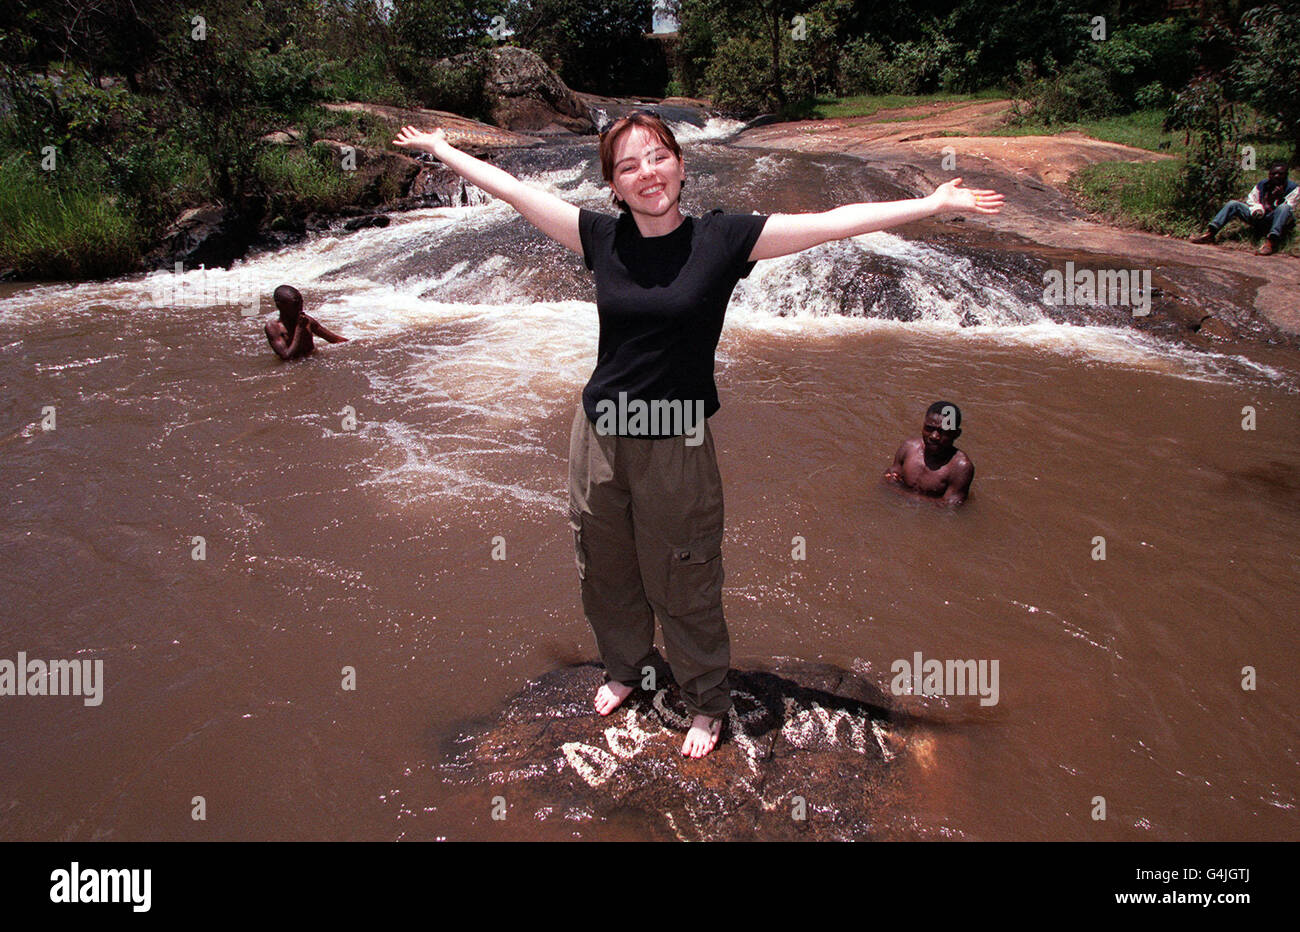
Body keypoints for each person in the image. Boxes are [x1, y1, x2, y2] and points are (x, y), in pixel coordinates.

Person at [393, 112, 1002, 757]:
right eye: (628, 166)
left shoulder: (724, 239)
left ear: (681, 165)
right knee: (605, 566)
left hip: (676, 444)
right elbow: (515, 190)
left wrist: (931, 202)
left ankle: (706, 699)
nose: (646, 173)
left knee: (685, 574)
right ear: (614, 185)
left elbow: (834, 221)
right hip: (599, 435)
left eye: (656, 157)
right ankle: (626, 667)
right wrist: (441, 147)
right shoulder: (600, 238)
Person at [1190, 161, 1297, 255]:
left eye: (1281, 174)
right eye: (1274, 174)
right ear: (1269, 175)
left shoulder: (1293, 188)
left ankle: (1270, 243)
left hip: (1276, 221)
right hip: (1259, 217)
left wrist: (1278, 198)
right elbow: (1251, 200)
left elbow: (1289, 209)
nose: (1277, 176)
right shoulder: (1262, 185)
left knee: (1284, 208)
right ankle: (1210, 233)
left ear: (1286, 175)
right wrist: (1259, 209)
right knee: (1233, 204)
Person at [884, 401, 975, 505]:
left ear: (956, 434)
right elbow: (889, 478)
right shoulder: (908, 447)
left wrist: (905, 496)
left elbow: (949, 506)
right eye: (929, 428)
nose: (934, 436)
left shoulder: (961, 467)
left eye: (942, 431)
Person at [264, 284, 348, 360]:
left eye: (301, 303)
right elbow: (286, 356)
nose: (300, 308)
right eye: (295, 305)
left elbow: (334, 339)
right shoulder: (273, 327)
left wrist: (354, 344)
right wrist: (299, 329)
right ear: (280, 306)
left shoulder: (307, 320)